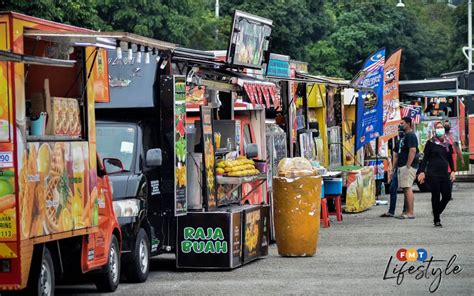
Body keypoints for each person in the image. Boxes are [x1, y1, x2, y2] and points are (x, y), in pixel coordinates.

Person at [417, 121, 455, 227]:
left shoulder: (447, 143)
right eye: (437, 127)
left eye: (441, 127)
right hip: (433, 174)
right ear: (435, 130)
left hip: (444, 173)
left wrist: (453, 171)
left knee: (447, 196)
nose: (440, 129)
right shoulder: (430, 143)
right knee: (436, 195)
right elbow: (425, 159)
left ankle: (436, 211)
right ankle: (437, 219)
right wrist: (422, 172)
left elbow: (450, 158)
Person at [380, 126, 406, 217]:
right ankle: (391, 211)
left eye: (401, 131)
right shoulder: (398, 143)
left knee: (406, 189)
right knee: (392, 188)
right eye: (399, 131)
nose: (400, 132)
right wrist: (392, 170)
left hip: (406, 168)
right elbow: (395, 156)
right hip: (397, 168)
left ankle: (405, 210)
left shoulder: (408, 141)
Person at [396, 117, 419, 219]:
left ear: (409, 124)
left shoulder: (411, 135)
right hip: (402, 165)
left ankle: (410, 212)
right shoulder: (405, 136)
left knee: (408, 187)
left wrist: (408, 165)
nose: (401, 125)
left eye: (403, 123)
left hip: (407, 166)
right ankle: (407, 211)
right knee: (405, 188)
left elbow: (413, 150)